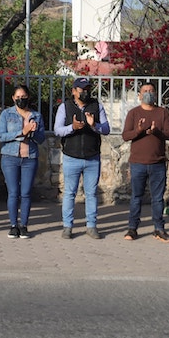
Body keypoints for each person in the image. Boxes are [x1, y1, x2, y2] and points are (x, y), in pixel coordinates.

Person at [53, 77, 110, 240]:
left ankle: (91, 226)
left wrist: (94, 126)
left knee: (91, 193)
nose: (85, 92)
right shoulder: (65, 107)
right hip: (72, 157)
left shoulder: (96, 106)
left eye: (87, 89)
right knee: (70, 193)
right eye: (81, 89)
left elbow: (106, 129)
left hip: (92, 157)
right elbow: (57, 130)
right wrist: (73, 127)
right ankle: (67, 226)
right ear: (73, 91)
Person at [121, 81, 169, 242]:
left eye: (151, 91)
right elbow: (125, 136)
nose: (148, 93)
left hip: (157, 163)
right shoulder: (133, 113)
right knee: (136, 197)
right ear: (139, 95)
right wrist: (138, 131)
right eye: (145, 91)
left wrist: (156, 131)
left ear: (156, 94)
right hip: (137, 163)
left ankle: (159, 229)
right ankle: (132, 228)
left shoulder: (162, 112)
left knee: (158, 198)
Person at [0, 84, 46, 239]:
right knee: (13, 193)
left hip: (29, 158)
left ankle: (24, 225)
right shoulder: (6, 114)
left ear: (28, 97)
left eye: (23, 97)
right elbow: (2, 136)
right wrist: (22, 132)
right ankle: (13, 225)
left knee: (25, 193)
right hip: (10, 157)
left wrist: (33, 132)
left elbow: (41, 139)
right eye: (17, 97)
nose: (20, 100)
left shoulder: (36, 115)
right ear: (13, 98)